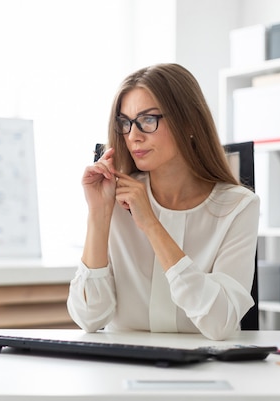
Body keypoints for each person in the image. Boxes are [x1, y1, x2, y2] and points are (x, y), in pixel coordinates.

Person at [66, 63, 260, 341]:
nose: (133, 136)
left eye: (148, 120)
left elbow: (220, 323)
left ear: (189, 122)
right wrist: (98, 214)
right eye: (125, 122)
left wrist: (152, 225)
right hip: (121, 366)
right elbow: (88, 318)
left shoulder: (239, 206)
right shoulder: (115, 198)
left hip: (204, 369)